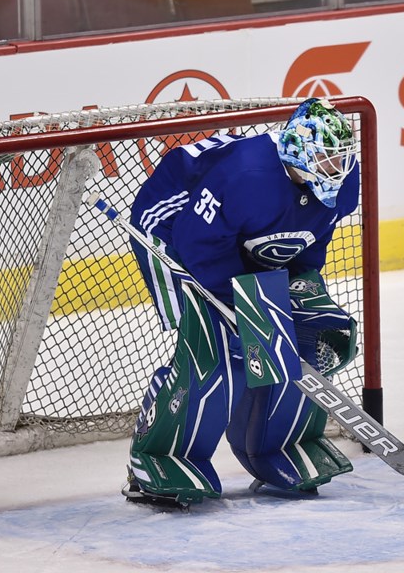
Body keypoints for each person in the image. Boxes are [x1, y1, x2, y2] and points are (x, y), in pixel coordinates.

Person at [123, 98, 362, 508]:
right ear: (298, 151)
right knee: (215, 351)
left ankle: (276, 447)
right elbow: (197, 242)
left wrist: (300, 284)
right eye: (324, 159)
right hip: (173, 233)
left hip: (242, 235)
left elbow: (312, 236)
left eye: (339, 159)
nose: (335, 169)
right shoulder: (245, 175)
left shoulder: (343, 179)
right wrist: (242, 307)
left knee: (300, 338)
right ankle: (159, 455)